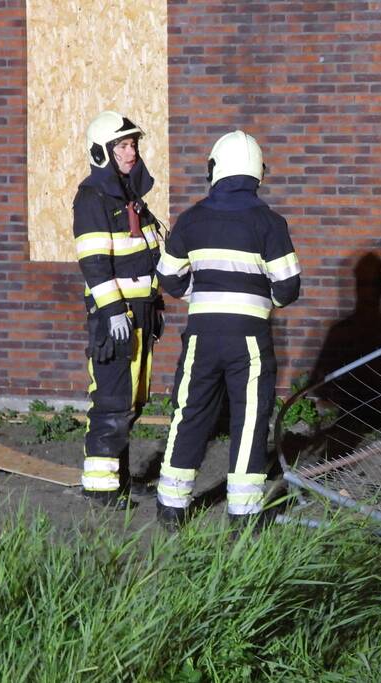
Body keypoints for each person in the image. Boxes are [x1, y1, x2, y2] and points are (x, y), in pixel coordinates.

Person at [154, 130, 301, 529]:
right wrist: (259, 301)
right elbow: (288, 288)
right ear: (258, 173)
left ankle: (171, 503)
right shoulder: (270, 223)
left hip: (201, 334)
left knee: (191, 412)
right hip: (250, 337)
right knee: (250, 416)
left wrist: (199, 297)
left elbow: (168, 277)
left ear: (214, 169)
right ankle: (244, 511)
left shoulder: (191, 218)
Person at [73, 110, 165, 507]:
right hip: (117, 316)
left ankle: (120, 478)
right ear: (102, 153)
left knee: (131, 399)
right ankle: (100, 487)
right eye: (123, 146)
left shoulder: (132, 198)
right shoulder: (92, 198)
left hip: (140, 312)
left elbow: (146, 253)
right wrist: (112, 311)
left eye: (133, 145)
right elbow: (94, 262)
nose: (131, 152)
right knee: (111, 400)